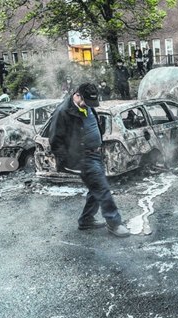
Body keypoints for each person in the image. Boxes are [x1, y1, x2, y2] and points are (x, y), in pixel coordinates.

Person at [48, 82, 130, 237]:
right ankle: (114, 223)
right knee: (102, 188)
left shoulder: (87, 105)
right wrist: (70, 162)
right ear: (77, 95)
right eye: (87, 102)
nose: (89, 106)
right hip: (82, 157)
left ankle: (86, 220)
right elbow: (55, 142)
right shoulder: (63, 112)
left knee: (96, 188)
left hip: (95, 153)